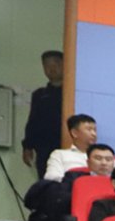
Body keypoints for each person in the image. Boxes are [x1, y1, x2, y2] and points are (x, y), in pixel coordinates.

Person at [21, 49, 64, 180]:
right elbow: (32, 122)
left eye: (56, 64)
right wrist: (27, 146)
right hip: (44, 148)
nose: (52, 68)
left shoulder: (73, 93)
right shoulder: (39, 95)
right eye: (47, 65)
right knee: (45, 183)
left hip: (66, 145)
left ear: (64, 65)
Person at [41, 112, 96, 182]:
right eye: (89, 129)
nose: (94, 134)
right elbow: (51, 177)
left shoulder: (103, 156)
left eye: (95, 130)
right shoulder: (59, 154)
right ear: (74, 133)